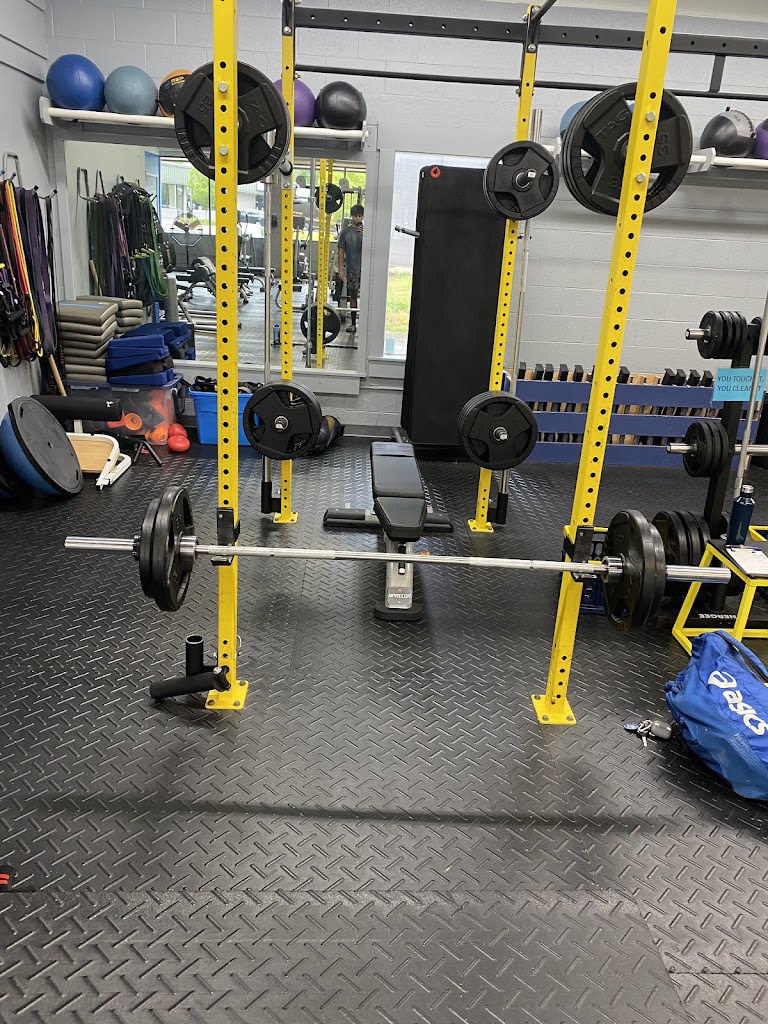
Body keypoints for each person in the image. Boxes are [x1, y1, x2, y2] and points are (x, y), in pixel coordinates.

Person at [337, 204, 364, 333]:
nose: (358, 218)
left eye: (360, 216)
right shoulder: (346, 232)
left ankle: (367, 323)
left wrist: (365, 235)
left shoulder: (368, 232)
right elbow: (341, 251)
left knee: (368, 296)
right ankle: (353, 323)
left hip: (366, 269)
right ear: (352, 216)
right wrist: (341, 269)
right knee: (353, 295)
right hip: (352, 268)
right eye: (356, 216)